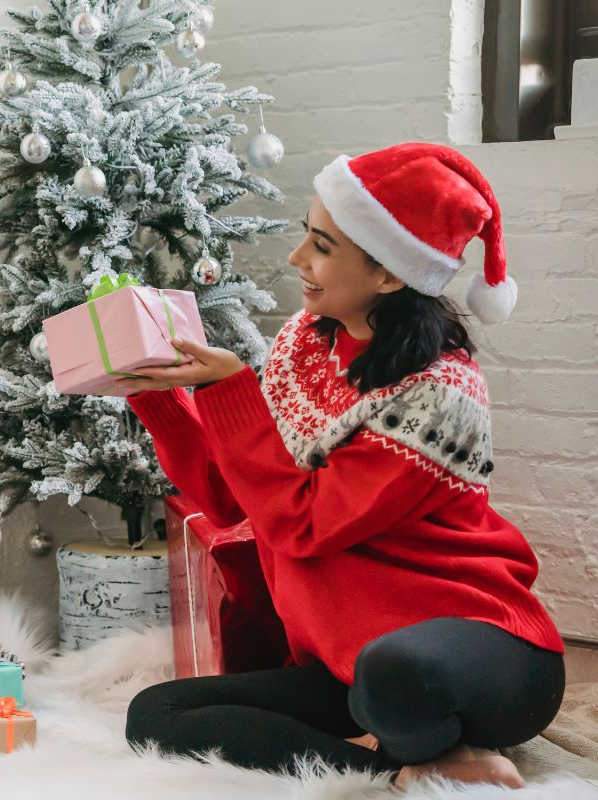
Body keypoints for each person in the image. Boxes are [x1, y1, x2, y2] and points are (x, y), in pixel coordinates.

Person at [121, 143, 564, 789]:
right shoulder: (307, 340)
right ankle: (401, 771)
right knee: (155, 713)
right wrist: (156, 395)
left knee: (392, 673)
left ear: (389, 275)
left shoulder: (441, 394)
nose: (299, 258)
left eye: (323, 246)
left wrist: (229, 391)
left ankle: (422, 744)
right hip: (347, 662)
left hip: (480, 653)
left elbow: (304, 523)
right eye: (307, 235)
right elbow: (234, 501)